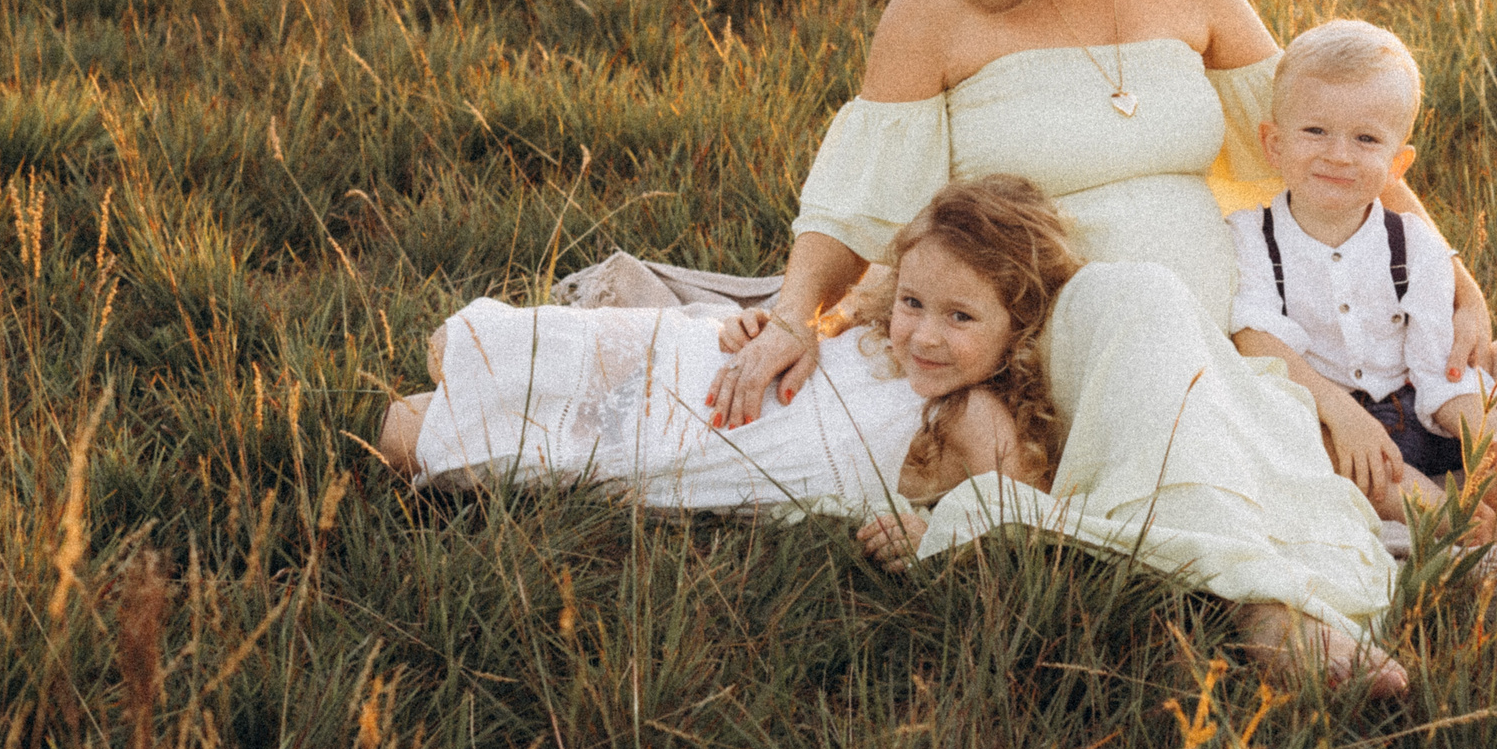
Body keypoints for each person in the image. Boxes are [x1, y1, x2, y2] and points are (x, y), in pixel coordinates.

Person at [704, 0, 1497, 689]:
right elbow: (860, 193)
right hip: (1049, 318)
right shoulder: (944, 1)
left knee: (1221, 357)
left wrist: (1453, 279)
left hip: (1224, 321)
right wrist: (794, 313)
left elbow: (1325, 138)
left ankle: (1283, 552)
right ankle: (1269, 612)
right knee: (1136, 297)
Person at [379, 178, 1077, 532]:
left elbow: (1027, 524)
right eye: (913, 302)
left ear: (1019, 327)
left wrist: (924, 535)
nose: (922, 335)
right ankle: (492, 365)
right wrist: (766, 327)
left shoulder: (973, 415)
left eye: (960, 317)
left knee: (404, 432)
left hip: (699, 440)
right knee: (468, 354)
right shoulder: (881, 330)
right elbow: (823, 334)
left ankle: (473, 399)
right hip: (698, 368)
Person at [1226, 20, 1497, 535]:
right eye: (1315, 131)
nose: (1338, 154)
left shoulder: (1413, 242)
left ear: (1397, 164)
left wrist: (1480, 424)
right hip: (1342, 434)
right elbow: (1257, 339)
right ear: (1274, 144)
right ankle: (1448, 516)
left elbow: (1438, 362)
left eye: (1366, 138)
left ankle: (1482, 478)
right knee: (1301, 440)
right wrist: (1342, 415)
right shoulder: (1249, 235)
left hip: (1429, 415)